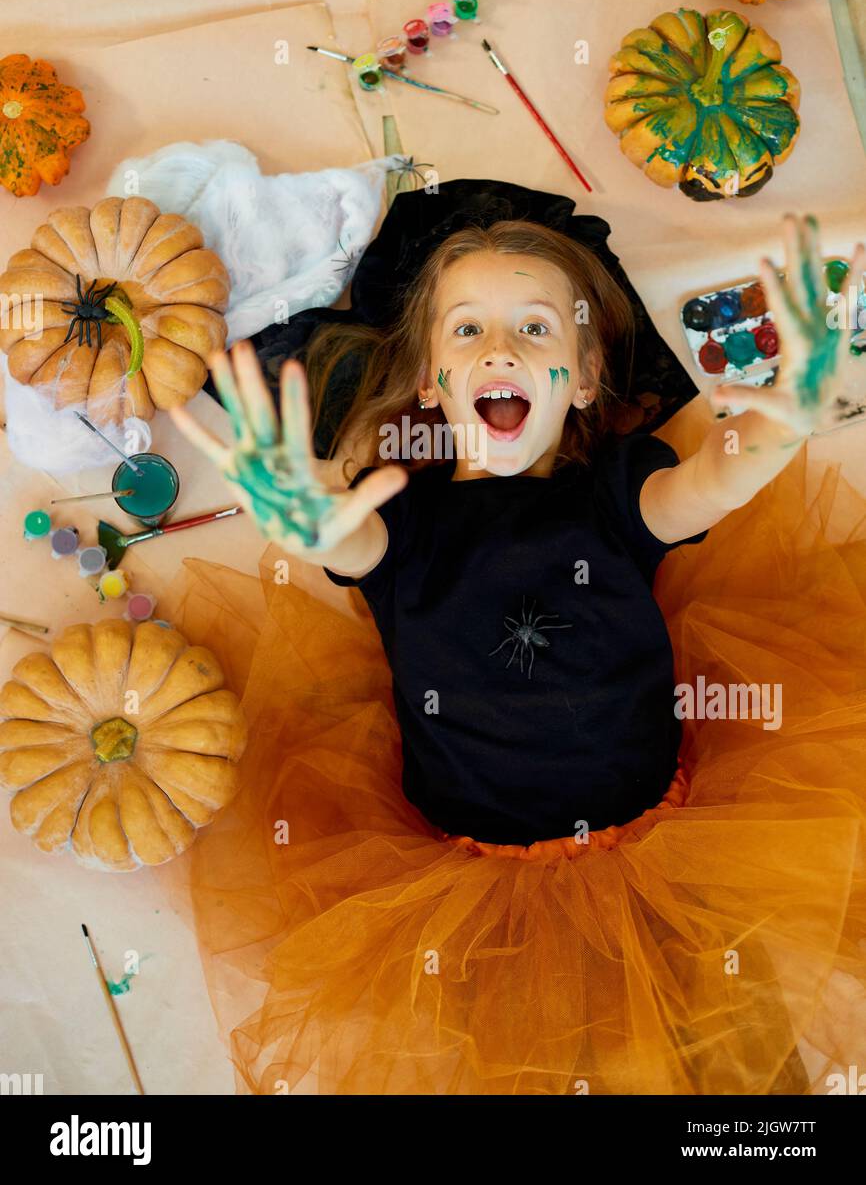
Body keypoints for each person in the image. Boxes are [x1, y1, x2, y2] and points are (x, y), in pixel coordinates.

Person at [170, 212, 866, 1095]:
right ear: (432, 381)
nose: (500, 347)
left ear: (581, 381)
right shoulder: (401, 527)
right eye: (468, 328)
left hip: (664, 847)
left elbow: (709, 485)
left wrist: (783, 424)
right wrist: (308, 526)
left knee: (740, 1066)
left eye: (536, 327)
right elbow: (347, 544)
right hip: (469, 883)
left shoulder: (618, 498)